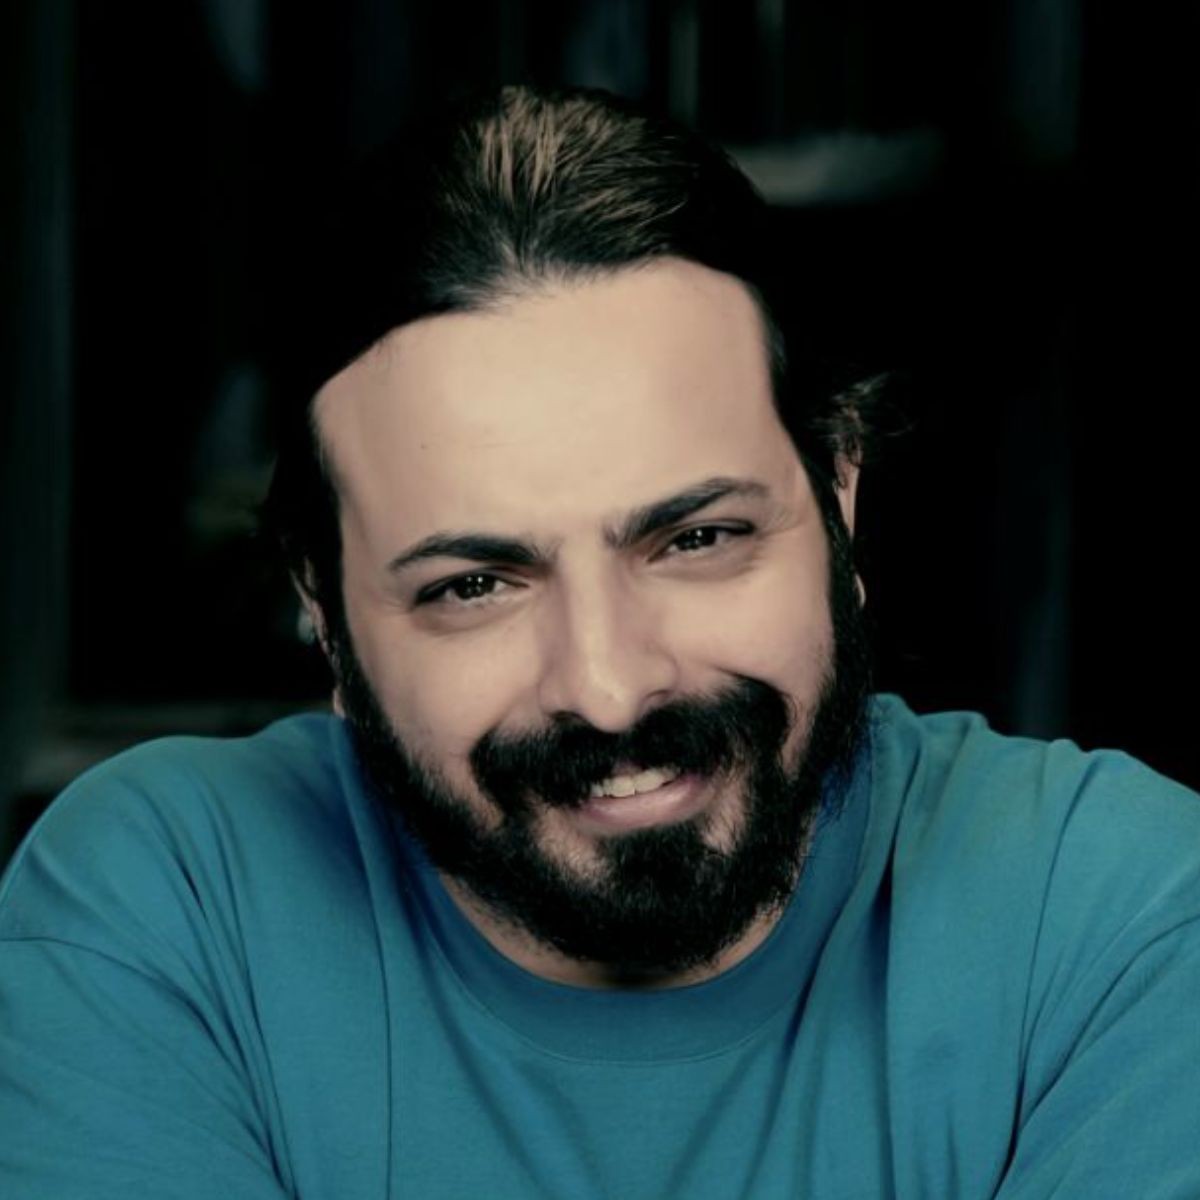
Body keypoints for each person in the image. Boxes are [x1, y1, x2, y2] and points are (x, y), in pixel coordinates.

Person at [1, 84, 1197, 1200]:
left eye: (697, 539)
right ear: (326, 609)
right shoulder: (166, 906)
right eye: (475, 585)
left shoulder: (1114, 913)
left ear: (839, 494)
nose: (612, 688)